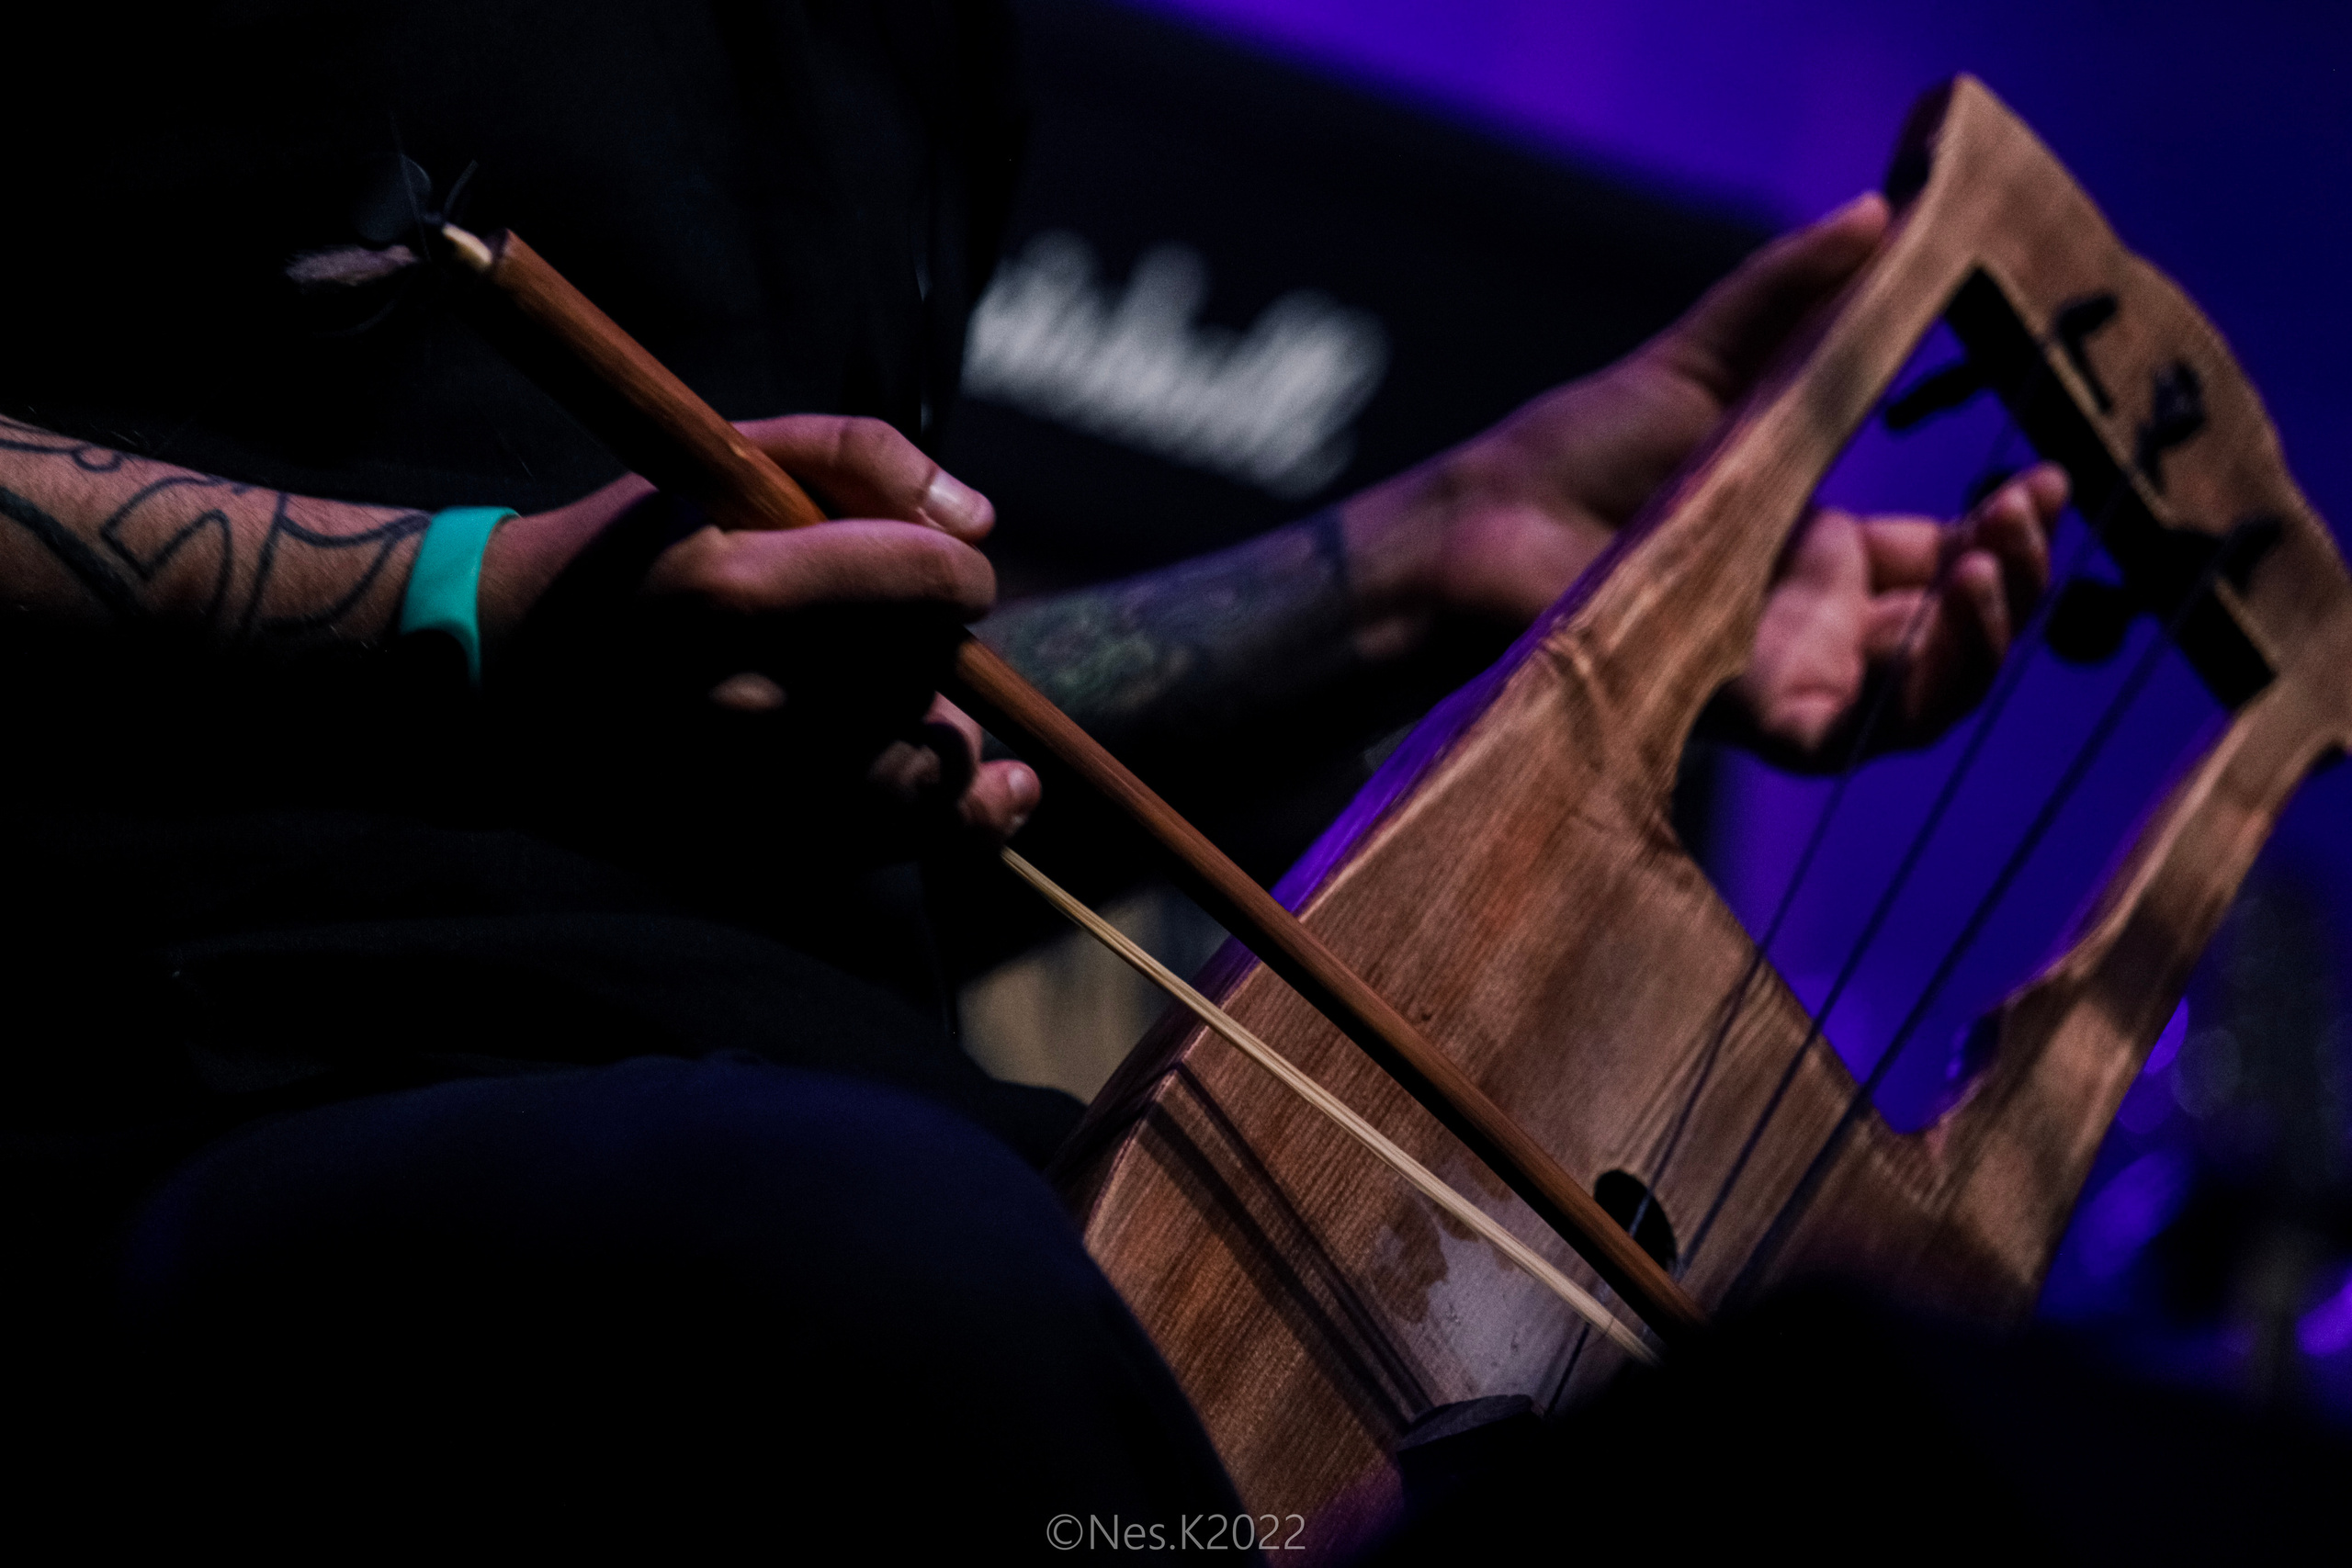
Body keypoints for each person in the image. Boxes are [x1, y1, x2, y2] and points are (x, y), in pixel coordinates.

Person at [0, 1, 2062, 1546]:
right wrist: (458, 593)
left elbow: (794, 700)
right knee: (892, 1280)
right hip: (198, 1066)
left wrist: (1437, 555)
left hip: (836, 1111)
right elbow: (552, 612)